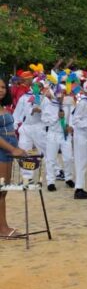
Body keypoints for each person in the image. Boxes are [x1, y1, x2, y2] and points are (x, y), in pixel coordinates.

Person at [0, 78, 28, 239]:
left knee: (3, 192)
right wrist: (13, 149)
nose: (1, 90)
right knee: (1, 191)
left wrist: (18, 150)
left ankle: (3, 226)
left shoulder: (4, 107)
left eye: (3, 87)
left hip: (8, 152)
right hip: (3, 151)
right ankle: (3, 229)